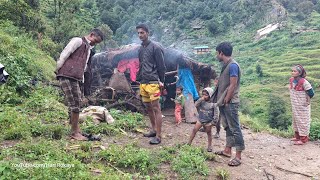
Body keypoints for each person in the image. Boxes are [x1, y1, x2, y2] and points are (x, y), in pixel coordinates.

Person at [55, 29, 104, 141]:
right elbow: (65, 53)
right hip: (67, 75)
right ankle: (74, 133)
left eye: (97, 43)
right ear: (91, 35)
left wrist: (81, 80)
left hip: (76, 78)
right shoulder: (78, 41)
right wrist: (57, 69)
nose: (94, 44)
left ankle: (76, 129)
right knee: (75, 103)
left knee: (77, 102)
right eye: (95, 41)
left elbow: (84, 66)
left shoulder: (88, 49)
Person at [213, 42, 244, 167]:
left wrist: (226, 99)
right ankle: (227, 150)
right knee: (227, 127)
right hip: (225, 101)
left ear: (221, 53)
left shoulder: (233, 66)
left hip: (230, 102)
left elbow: (233, 84)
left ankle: (238, 156)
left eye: (217, 53)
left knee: (235, 128)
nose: (217, 55)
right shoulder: (226, 65)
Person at [136, 24, 166, 145]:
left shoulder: (156, 47)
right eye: (138, 33)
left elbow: (161, 66)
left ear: (148, 33)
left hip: (153, 82)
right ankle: (153, 129)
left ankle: (159, 136)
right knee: (148, 107)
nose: (140, 35)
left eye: (142, 33)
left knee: (156, 108)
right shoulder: (140, 49)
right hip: (143, 82)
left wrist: (162, 81)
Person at [289, 64, 314, 145]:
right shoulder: (292, 80)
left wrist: (306, 100)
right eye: (292, 71)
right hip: (295, 105)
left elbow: (311, 93)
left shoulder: (304, 82)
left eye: (294, 71)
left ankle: (303, 139)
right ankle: (297, 137)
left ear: (299, 73)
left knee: (303, 121)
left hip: (302, 106)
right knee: (296, 120)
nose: (292, 72)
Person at [188, 87, 215, 152]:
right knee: (194, 130)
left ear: (210, 95)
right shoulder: (201, 101)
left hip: (208, 121)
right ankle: (189, 143)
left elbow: (217, 114)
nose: (204, 96)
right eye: (203, 94)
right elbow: (195, 104)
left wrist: (213, 122)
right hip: (200, 119)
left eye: (206, 95)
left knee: (209, 133)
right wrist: (200, 99)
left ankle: (209, 146)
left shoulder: (214, 104)